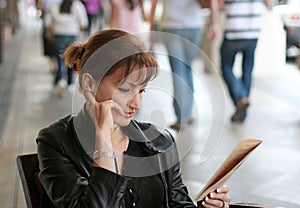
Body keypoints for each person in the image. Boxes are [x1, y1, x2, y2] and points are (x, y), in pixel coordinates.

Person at [36, 29, 231, 207]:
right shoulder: (56, 142)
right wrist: (104, 141)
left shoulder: (159, 141)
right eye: (124, 89)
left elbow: (178, 205)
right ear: (88, 83)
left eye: (142, 90)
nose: (136, 104)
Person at [149, 0, 219, 131]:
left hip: (171, 26)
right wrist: (213, 24)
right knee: (187, 68)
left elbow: (154, 3)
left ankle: (182, 118)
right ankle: (187, 113)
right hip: (194, 26)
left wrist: (151, 31)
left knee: (178, 71)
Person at [219, 0, 271, 122]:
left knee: (226, 66)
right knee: (247, 71)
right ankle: (242, 107)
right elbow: (268, 3)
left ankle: (240, 99)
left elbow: (220, 5)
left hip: (234, 31)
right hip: (253, 31)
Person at [45, 0, 88, 96]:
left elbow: (48, 22)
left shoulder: (54, 6)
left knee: (60, 58)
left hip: (58, 35)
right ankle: (70, 82)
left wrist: (50, 34)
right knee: (72, 58)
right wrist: (78, 32)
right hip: (72, 35)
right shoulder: (77, 6)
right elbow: (83, 23)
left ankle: (61, 79)